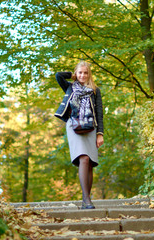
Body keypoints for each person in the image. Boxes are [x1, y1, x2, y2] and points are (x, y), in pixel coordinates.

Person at [55, 61, 104, 209]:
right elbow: (58, 76)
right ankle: (86, 199)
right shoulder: (70, 87)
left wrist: (100, 133)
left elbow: (99, 113)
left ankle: (85, 201)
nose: (83, 75)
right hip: (73, 125)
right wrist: (72, 75)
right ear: (77, 73)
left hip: (91, 127)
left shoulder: (95, 90)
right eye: (80, 72)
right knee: (83, 158)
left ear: (89, 74)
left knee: (89, 163)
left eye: (85, 73)